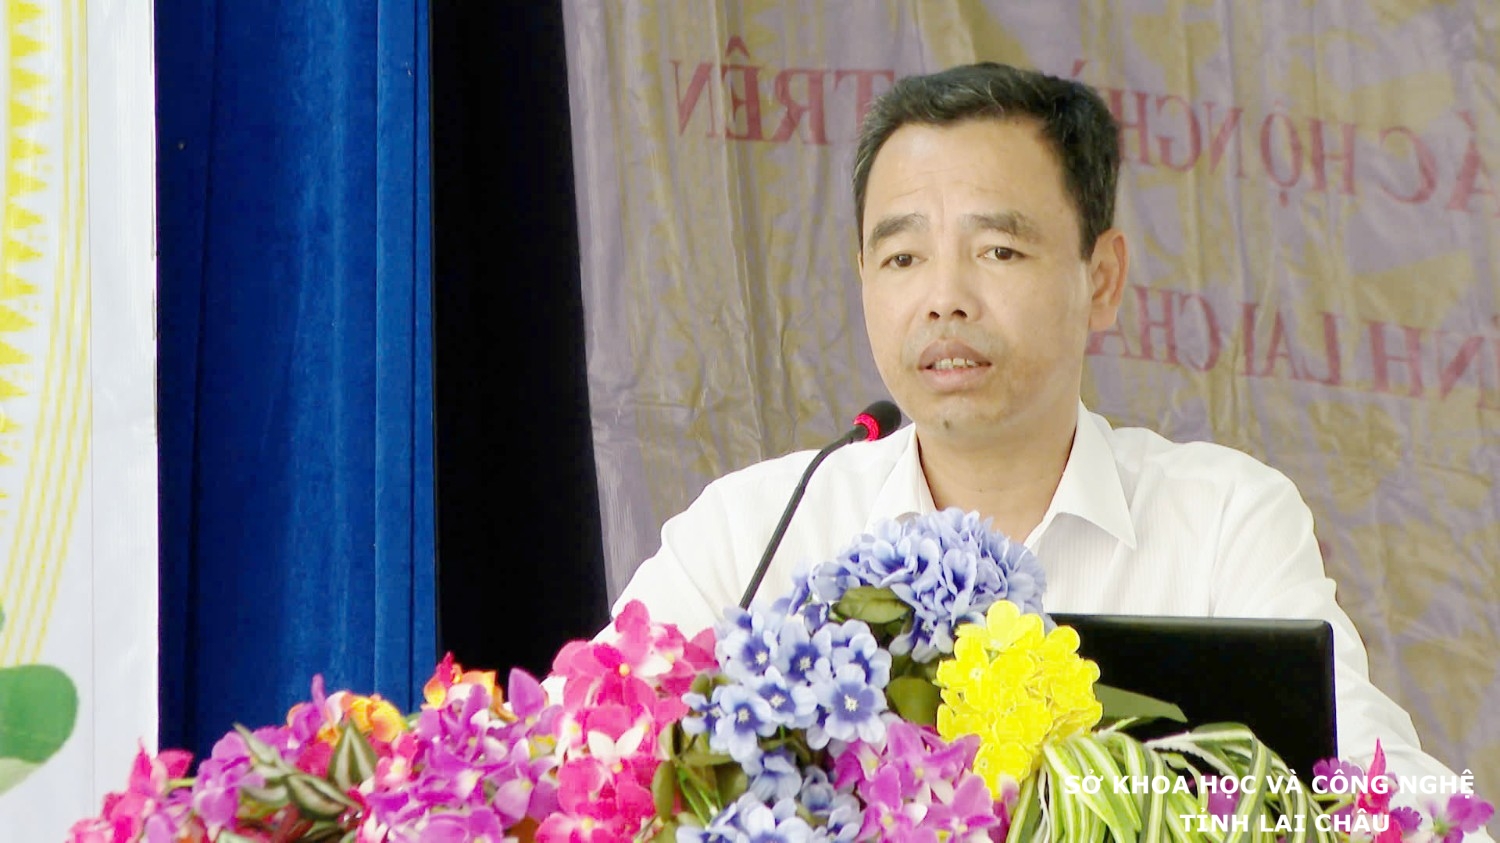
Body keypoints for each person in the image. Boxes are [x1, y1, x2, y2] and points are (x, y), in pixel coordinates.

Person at [611, 62, 1483, 824]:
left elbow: (1388, 795)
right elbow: (590, 758)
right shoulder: (755, 530)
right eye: (903, 258)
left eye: (997, 250)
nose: (944, 297)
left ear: (1101, 280)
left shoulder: (1222, 522)